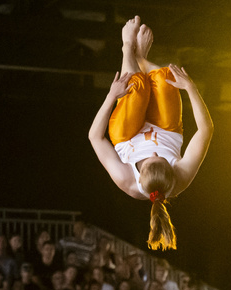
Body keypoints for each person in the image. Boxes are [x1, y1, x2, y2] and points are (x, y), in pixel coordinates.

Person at [86, 17, 214, 250]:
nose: (154, 150)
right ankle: (142, 58)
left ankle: (127, 48)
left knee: (137, 89)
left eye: (149, 158)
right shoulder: (181, 177)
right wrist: (191, 89)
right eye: (161, 157)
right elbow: (206, 130)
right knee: (166, 80)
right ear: (171, 170)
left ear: (140, 171)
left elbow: (95, 137)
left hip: (127, 135)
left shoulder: (128, 181)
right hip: (167, 131)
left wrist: (111, 96)